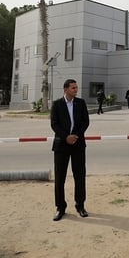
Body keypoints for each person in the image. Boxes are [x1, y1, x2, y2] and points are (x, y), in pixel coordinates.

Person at [50, 79, 90, 221]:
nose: (76, 90)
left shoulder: (81, 103)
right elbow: (54, 124)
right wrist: (66, 137)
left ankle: (80, 205)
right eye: (73, 88)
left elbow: (86, 122)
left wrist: (76, 136)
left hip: (78, 144)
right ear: (65, 89)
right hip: (62, 145)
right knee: (60, 177)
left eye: (76, 88)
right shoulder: (57, 105)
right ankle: (60, 207)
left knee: (80, 175)